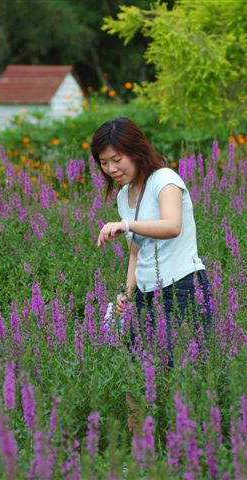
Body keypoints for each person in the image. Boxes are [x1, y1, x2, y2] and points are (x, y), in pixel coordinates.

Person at [91, 117, 213, 364]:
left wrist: (126, 225)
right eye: (104, 162)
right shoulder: (124, 196)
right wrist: (125, 293)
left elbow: (172, 226)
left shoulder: (164, 179)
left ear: (136, 152)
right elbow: (136, 253)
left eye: (117, 159)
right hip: (144, 296)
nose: (111, 169)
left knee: (176, 373)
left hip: (181, 289)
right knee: (138, 375)